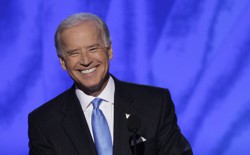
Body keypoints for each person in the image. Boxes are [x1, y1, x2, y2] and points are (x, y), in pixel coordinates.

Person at [28, 12, 193, 155]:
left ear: (109, 50)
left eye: (93, 49)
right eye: (74, 53)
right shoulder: (44, 122)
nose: (85, 61)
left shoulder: (155, 104)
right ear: (63, 62)